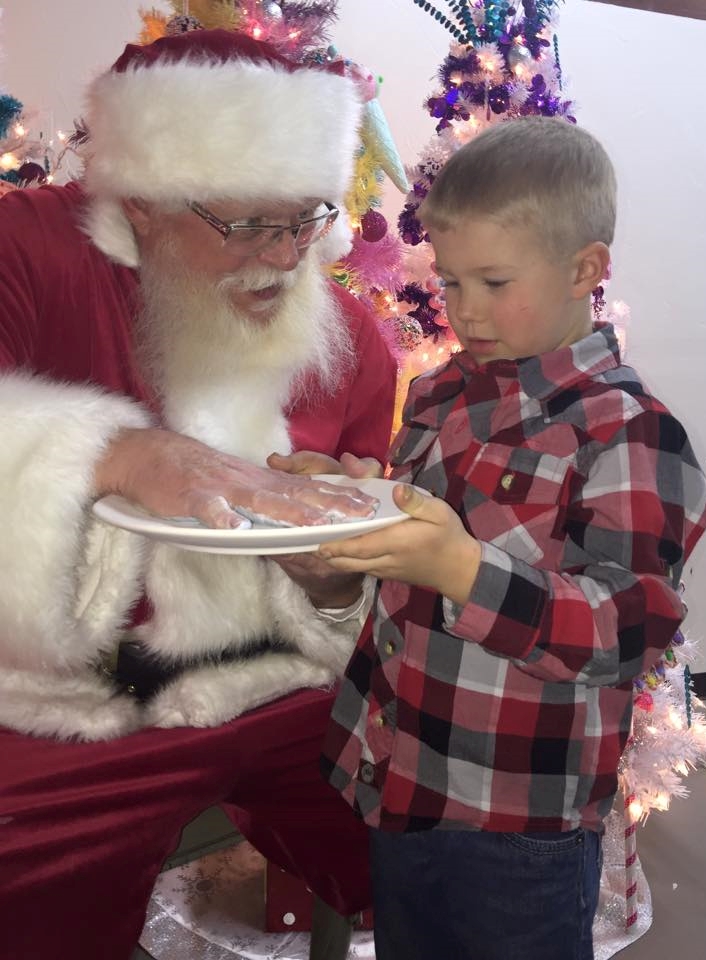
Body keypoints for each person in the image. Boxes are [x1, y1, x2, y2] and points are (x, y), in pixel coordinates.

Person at [0, 29, 397, 960]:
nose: (286, 258)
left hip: (291, 687)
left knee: (448, 816)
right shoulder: (29, 248)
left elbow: (368, 567)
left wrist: (335, 583)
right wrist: (109, 450)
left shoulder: (346, 339)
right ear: (143, 201)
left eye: (305, 219)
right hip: (70, 707)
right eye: (247, 224)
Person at [313, 117, 706, 960]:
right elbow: (403, 565)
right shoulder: (438, 396)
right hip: (399, 773)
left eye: (495, 282)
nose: (464, 309)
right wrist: (349, 513)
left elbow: (625, 631)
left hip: (517, 819)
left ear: (585, 270)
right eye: (452, 280)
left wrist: (463, 569)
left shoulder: (629, 432)